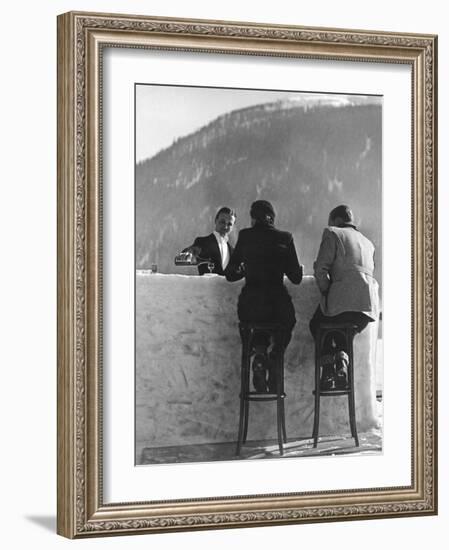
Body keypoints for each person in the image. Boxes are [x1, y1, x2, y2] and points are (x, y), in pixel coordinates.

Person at [225, 200, 303, 393]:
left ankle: (259, 354)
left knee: (257, 326)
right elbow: (296, 278)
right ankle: (275, 357)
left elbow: (230, 274)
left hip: (250, 305)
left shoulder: (245, 236)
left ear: (253, 219)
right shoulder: (285, 238)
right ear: (272, 219)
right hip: (277, 304)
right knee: (287, 322)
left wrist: (246, 268)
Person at [310, 204, 380, 390]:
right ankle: (342, 363)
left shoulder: (333, 233)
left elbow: (320, 269)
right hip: (367, 308)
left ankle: (327, 374)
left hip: (342, 302)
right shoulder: (368, 242)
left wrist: (326, 291)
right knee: (342, 334)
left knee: (318, 326)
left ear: (336, 220)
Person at [183, 207, 236, 275]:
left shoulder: (233, 251)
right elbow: (183, 259)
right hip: (207, 285)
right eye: (222, 222)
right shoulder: (202, 242)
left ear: (233, 227)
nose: (225, 227)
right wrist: (190, 253)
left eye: (229, 224)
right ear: (215, 221)